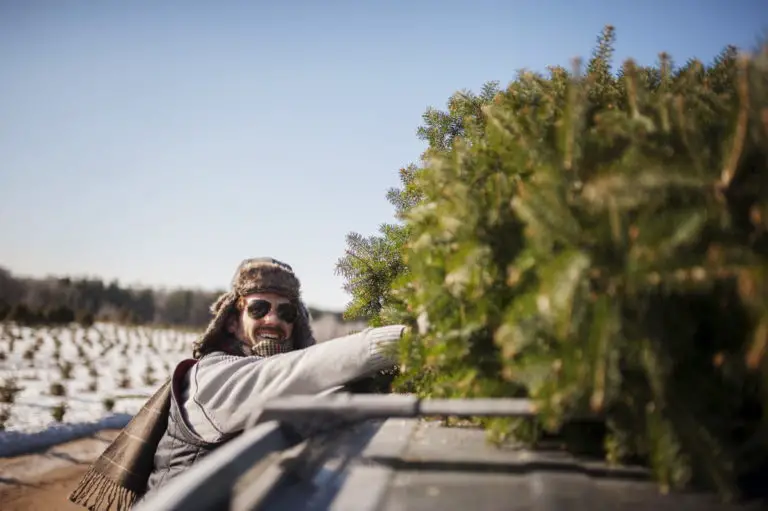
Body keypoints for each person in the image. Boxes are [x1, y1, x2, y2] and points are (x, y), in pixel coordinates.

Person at [69, 257, 406, 511]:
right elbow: (292, 373)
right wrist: (402, 341)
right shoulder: (211, 377)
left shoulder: (274, 380)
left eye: (287, 313)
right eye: (259, 308)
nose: (273, 320)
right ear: (232, 321)